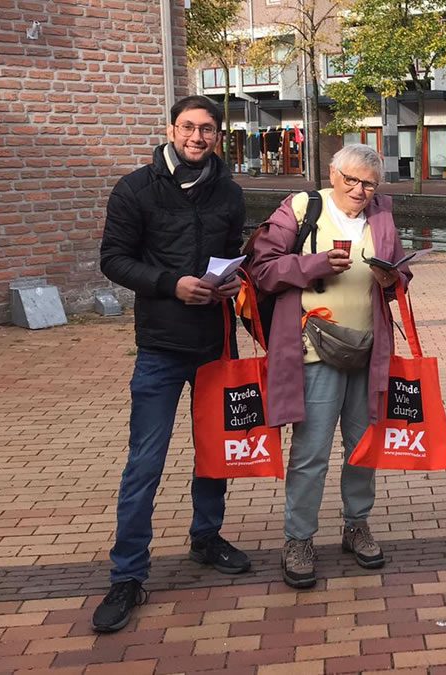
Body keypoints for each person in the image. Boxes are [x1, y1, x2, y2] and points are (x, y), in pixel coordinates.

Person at [95, 95, 249, 633]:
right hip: (160, 347)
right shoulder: (135, 188)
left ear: (217, 136)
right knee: (145, 463)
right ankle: (127, 575)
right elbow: (113, 258)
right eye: (189, 127)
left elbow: (235, 255)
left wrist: (231, 282)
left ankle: (206, 538)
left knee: (215, 454)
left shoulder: (228, 192)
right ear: (171, 129)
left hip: (214, 343)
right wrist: (170, 284)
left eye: (207, 129)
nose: (197, 137)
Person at [248, 144, 410, 589]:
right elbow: (261, 268)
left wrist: (392, 277)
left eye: (369, 184)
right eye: (351, 180)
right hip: (313, 349)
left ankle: (356, 524)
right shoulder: (303, 207)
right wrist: (313, 264)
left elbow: (398, 277)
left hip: (367, 348)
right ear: (332, 173)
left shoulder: (381, 216)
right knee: (311, 451)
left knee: (362, 446)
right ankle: (298, 538)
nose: (359, 190)